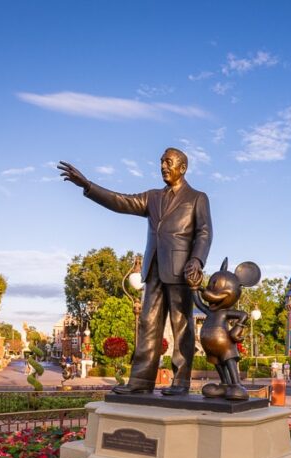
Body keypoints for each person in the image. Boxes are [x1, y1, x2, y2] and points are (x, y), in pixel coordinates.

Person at [58, 149, 211, 395]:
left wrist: (197, 260)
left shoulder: (197, 198)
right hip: (153, 271)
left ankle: (180, 382)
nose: (163, 166)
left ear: (182, 167)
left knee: (182, 326)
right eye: (161, 162)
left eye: (168, 162)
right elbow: (121, 202)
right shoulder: (152, 197)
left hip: (181, 270)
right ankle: (140, 381)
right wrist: (88, 185)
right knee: (148, 324)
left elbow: (204, 232)